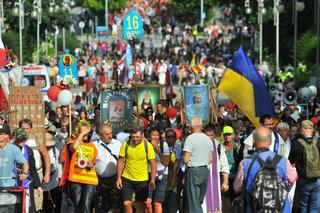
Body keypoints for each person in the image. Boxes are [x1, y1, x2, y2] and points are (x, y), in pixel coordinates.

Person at [234, 126, 297, 213]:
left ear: (254, 141)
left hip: (253, 208)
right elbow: (293, 178)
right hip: (281, 209)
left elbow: (237, 188)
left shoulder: (245, 163)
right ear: (270, 142)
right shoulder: (283, 161)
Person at [60, 121, 98, 213]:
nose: (85, 132)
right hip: (76, 179)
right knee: (76, 205)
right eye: (83, 129)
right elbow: (74, 148)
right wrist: (81, 135)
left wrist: (92, 163)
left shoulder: (92, 145)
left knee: (86, 205)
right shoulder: (71, 142)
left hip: (90, 180)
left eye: (86, 130)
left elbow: (94, 159)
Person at [116, 127, 156, 213]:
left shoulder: (147, 145)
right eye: (133, 137)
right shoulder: (126, 144)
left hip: (142, 179)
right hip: (127, 178)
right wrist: (118, 177)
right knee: (126, 203)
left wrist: (152, 179)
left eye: (137, 137)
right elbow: (120, 161)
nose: (135, 139)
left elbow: (153, 162)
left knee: (140, 205)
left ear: (142, 135)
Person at [182, 117, 213, 212]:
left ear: (191, 126)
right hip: (205, 170)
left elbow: (186, 159)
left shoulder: (190, 139)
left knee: (193, 202)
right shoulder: (208, 139)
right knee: (198, 201)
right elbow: (211, 159)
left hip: (193, 171)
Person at [19, 118, 51, 212]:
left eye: (27, 128)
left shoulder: (37, 140)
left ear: (31, 129)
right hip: (21, 175)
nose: (25, 131)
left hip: (36, 173)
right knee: (23, 201)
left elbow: (46, 157)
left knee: (36, 202)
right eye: (22, 128)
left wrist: (47, 174)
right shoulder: (16, 141)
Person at [289, 120, 320, 213]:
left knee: (303, 204)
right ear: (313, 130)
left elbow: (291, 160)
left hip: (303, 179)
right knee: (315, 205)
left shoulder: (296, 143)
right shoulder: (318, 142)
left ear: (302, 130)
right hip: (317, 178)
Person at [93, 123, 122, 213]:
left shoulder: (118, 144)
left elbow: (122, 161)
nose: (110, 136)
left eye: (111, 133)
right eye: (107, 134)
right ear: (101, 135)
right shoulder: (93, 145)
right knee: (100, 207)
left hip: (114, 180)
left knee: (115, 206)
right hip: (99, 181)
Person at [12, 127, 42, 213]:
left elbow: (33, 169)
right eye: (20, 139)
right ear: (15, 138)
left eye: (24, 139)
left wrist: (38, 186)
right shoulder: (9, 149)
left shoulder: (28, 150)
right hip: (13, 185)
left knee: (29, 208)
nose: (23, 141)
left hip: (27, 185)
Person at [145, 128, 170, 213]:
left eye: (157, 135)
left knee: (157, 203)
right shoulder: (145, 144)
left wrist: (157, 150)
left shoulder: (164, 144)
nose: (155, 137)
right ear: (149, 136)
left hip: (162, 176)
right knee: (147, 202)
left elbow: (166, 162)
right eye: (153, 135)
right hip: (148, 175)